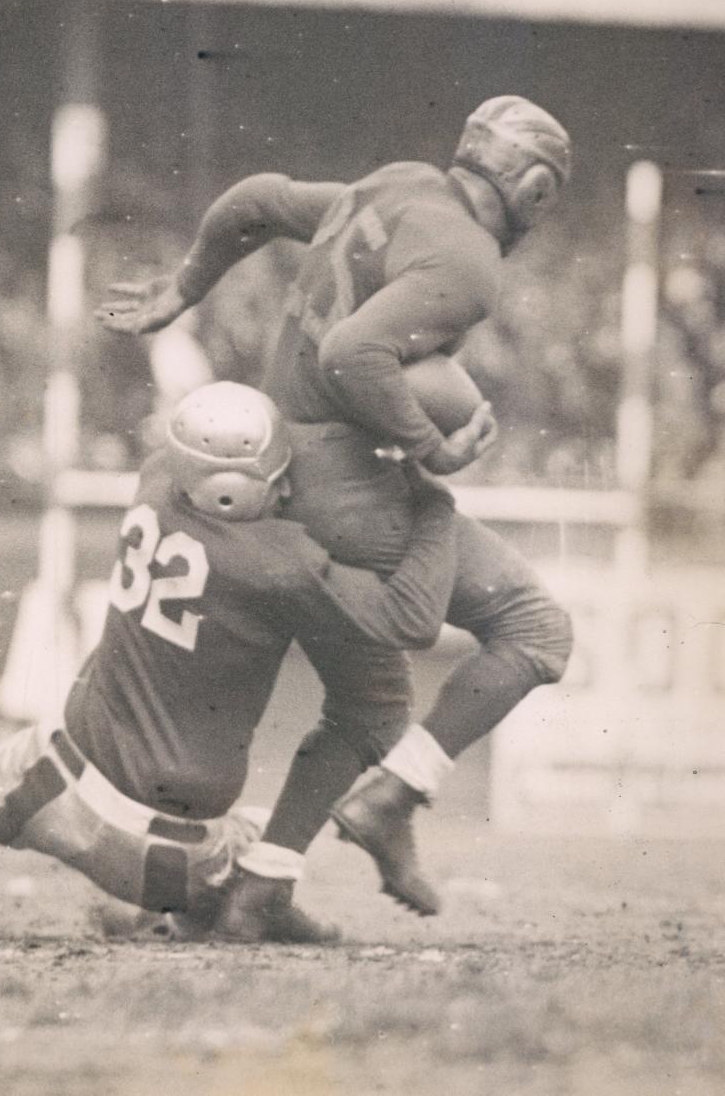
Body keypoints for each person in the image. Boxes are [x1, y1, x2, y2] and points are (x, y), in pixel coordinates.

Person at [97, 95, 575, 931]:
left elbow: (255, 200)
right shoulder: (470, 261)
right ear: (533, 187)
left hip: (280, 469)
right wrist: (429, 445)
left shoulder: (398, 184)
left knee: (372, 707)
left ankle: (261, 887)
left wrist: (186, 286)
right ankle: (398, 799)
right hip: (343, 489)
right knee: (537, 629)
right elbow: (354, 353)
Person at [0, 381, 457, 944]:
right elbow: (412, 621)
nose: (285, 490)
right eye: (275, 480)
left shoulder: (156, 480)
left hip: (51, 774)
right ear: (236, 490)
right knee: (259, 837)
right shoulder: (281, 564)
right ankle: (200, 908)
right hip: (169, 855)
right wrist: (435, 507)